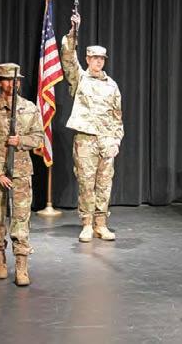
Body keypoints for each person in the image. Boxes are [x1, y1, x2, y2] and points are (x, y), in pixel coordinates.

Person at [0, 63, 44, 286]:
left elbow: (39, 137)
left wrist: (20, 141)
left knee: (21, 219)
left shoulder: (29, 108)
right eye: (7, 79)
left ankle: (22, 265)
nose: (13, 84)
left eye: (16, 80)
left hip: (21, 173)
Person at [61, 13, 124, 242]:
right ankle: (87, 224)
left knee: (104, 184)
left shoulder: (112, 85)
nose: (98, 62)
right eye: (95, 58)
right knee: (86, 182)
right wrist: (74, 31)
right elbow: (68, 57)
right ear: (87, 58)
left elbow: (117, 117)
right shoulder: (80, 78)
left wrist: (116, 140)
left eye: (101, 59)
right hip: (86, 139)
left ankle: (101, 224)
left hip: (106, 140)